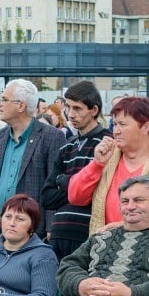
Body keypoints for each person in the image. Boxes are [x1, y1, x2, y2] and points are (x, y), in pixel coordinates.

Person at [68, 96, 149, 236]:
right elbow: (75, 196)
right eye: (114, 124)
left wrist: (126, 226)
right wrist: (97, 164)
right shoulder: (108, 157)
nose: (116, 131)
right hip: (108, 250)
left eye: (123, 124)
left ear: (145, 126)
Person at [0, 79, 65, 238]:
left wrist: (51, 227)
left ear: (21, 105)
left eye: (4, 99)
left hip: (30, 229)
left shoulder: (51, 137)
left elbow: (55, 187)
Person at [41, 81, 110, 261]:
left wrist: (63, 181)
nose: (71, 114)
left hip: (89, 232)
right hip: (59, 231)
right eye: (68, 107)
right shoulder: (67, 147)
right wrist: (78, 187)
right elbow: (47, 198)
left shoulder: (107, 143)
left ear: (94, 110)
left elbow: (97, 191)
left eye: (78, 108)